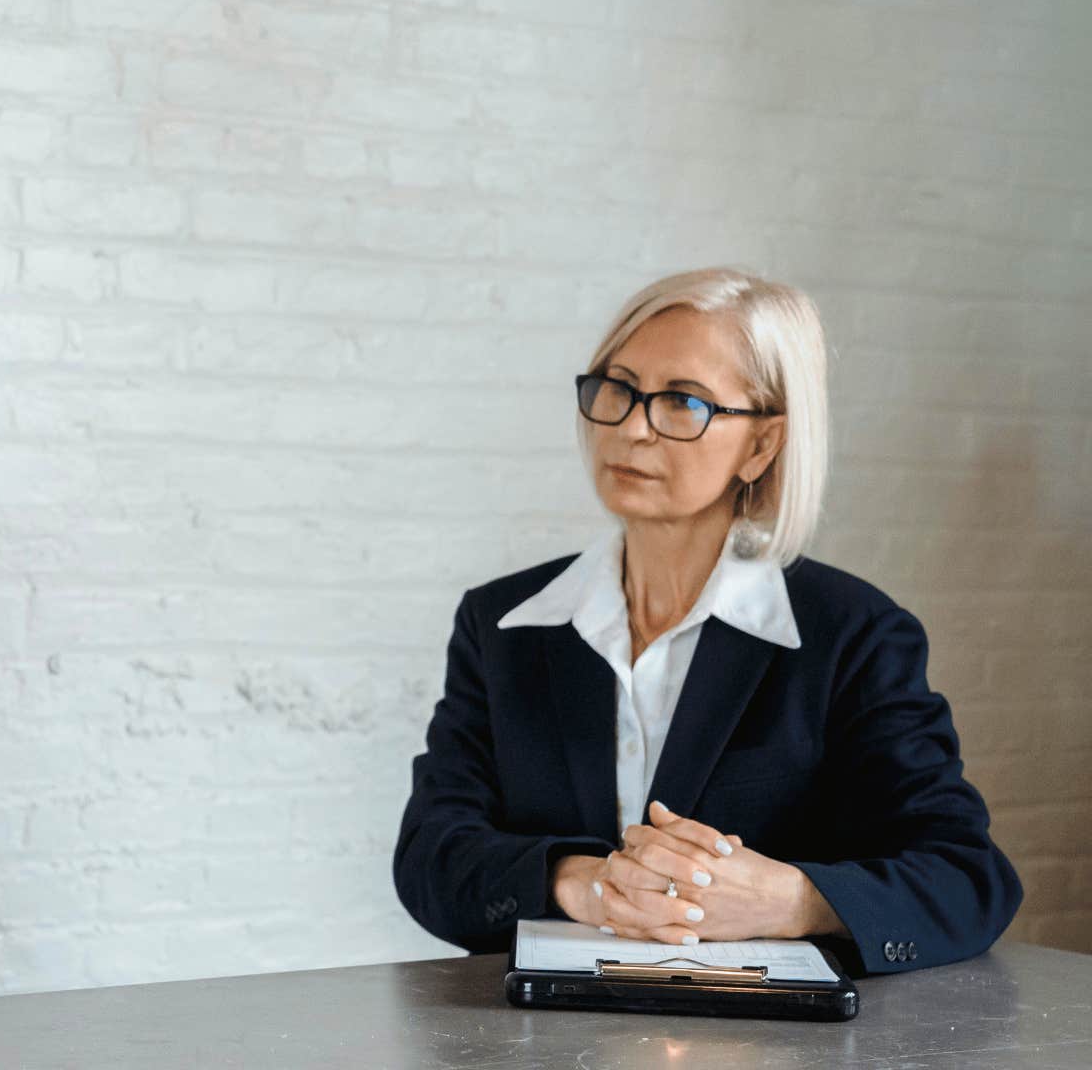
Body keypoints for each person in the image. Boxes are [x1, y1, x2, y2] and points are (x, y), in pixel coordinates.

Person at [392, 267, 1021, 974]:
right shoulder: (502, 623)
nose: (632, 428)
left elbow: (968, 879)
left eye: (683, 402)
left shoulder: (853, 634)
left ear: (762, 445)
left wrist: (794, 900)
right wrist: (584, 884)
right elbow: (429, 856)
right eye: (619, 389)